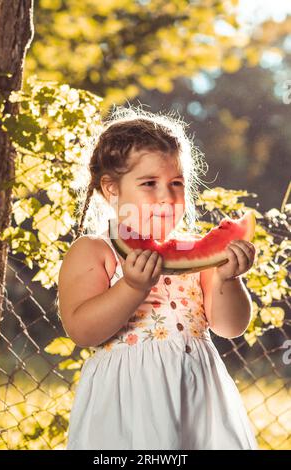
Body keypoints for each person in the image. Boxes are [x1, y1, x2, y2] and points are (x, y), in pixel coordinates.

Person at [58, 105, 258, 450]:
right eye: (149, 183)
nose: (167, 195)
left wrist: (228, 279)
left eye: (176, 183)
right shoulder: (95, 250)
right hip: (127, 401)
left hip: (198, 397)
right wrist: (131, 286)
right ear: (111, 189)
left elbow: (230, 326)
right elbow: (82, 331)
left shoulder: (196, 257)